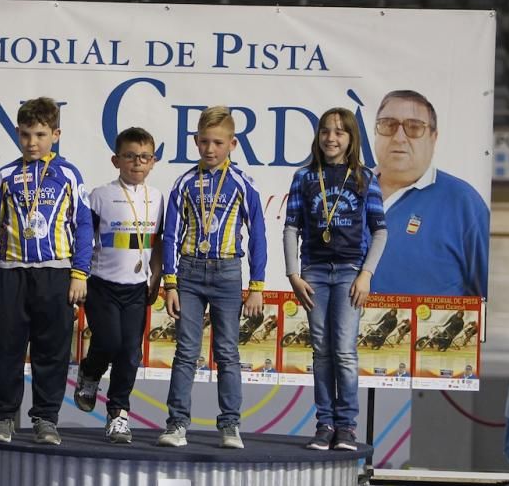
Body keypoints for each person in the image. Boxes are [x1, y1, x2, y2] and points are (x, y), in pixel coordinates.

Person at [0, 96, 92, 445]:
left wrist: (79, 273)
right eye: (25, 134)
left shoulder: (68, 174)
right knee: (8, 349)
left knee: (51, 350)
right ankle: (2, 418)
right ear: (17, 133)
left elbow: (83, 225)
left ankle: (45, 418)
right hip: (11, 273)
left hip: (55, 273)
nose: (32, 142)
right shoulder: (6, 175)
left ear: (55, 134)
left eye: (40, 134)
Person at [158, 105, 267, 449]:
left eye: (218, 143)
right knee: (186, 350)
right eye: (204, 141)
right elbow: (171, 235)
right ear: (194, 142)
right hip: (189, 271)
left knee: (227, 352)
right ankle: (176, 424)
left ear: (233, 144)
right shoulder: (185, 182)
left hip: (227, 272)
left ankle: (230, 425)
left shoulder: (241, 183)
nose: (210, 149)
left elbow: (259, 235)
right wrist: (170, 282)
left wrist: (257, 287)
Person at [284, 107, 388, 451]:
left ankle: (347, 426)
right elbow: (292, 227)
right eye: (326, 131)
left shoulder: (364, 177)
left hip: (349, 273)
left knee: (343, 350)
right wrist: (293, 274)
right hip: (314, 273)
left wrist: (366, 274)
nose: (331, 138)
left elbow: (381, 232)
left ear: (351, 139)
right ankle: (324, 423)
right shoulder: (304, 178)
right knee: (321, 351)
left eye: (339, 132)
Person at [74, 127, 164, 444]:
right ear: (116, 160)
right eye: (129, 156)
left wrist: (157, 275)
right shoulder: (99, 195)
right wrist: (79, 276)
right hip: (102, 285)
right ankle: (89, 371)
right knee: (110, 342)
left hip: (137, 288)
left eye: (144, 157)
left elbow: (159, 242)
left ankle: (118, 415)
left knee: (130, 353)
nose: (136, 163)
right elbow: (83, 240)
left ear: (153, 161)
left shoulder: (157, 198)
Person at [369, 90, 489, 298]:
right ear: (376, 132)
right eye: (388, 125)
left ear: (434, 138)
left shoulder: (464, 204)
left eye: (414, 127)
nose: (399, 138)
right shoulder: (345, 192)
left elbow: (486, 298)